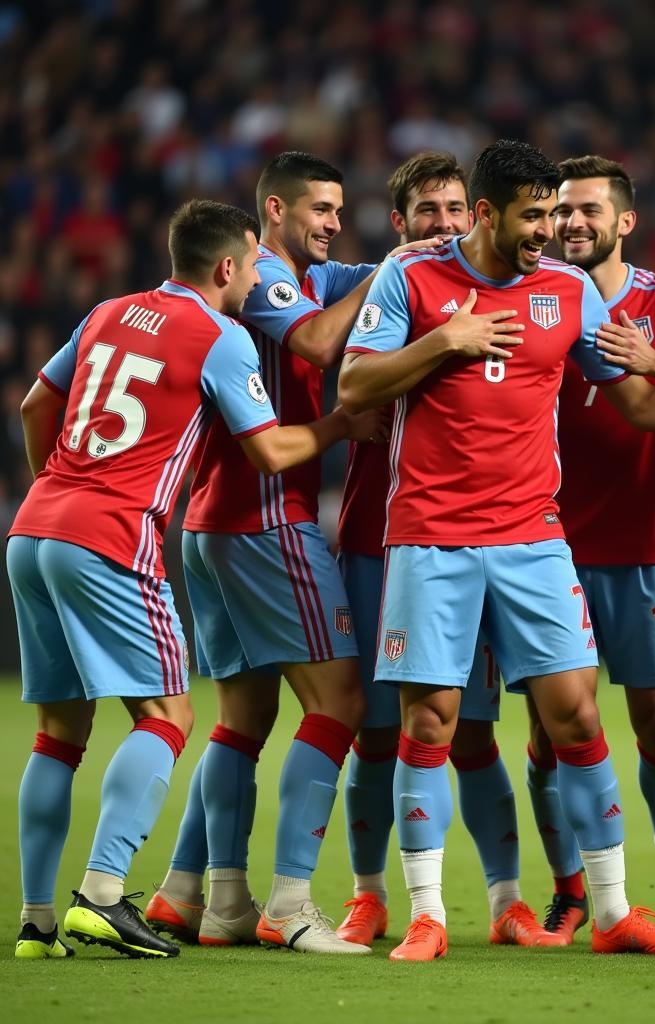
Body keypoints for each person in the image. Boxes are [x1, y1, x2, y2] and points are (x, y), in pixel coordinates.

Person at [338, 138, 655, 962]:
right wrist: (446, 341)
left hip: (534, 540)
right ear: (484, 214)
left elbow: (639, 402)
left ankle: (614, 912)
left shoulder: (568, 290)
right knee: (430, 722)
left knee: (577, 712)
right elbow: (354, 387)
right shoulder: (413, 279)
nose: (549, 230)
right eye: (532, 215)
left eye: (554, 213)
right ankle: (430, 914)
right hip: (430, 536)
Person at [11, 199, 357, 959]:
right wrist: (338, 425)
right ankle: (102, 895)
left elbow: (37, 402)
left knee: (58, 735)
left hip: (34, 527)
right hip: (110, 535)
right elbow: (270, 452)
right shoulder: (220, 336)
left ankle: (36, 925)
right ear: (230, 266)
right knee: (168, 715)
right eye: (249, 268)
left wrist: (58, 492)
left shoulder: (108, 310)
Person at [145, 152, 412, 955]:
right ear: (274, 209)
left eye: (339, 209)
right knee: (341, 705)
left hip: (212, 525)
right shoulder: (262, 278)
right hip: (267, 523)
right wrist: (394, 270)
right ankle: (291, 903)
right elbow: (324, 343)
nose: (334, 222)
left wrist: (419, 257)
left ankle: (200, 892)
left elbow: (366, 283)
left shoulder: (305, 274)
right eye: (319, 210)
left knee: (245, 716)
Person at [335, 150, 558, 948]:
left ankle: (506, 902)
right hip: (383, 531)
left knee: (473, 728)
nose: (444, 224)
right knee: (376, 727)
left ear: (480, 215)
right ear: (399, 224)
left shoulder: (506, 289)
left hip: (484, 536)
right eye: (427, 212)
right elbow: (347, 375)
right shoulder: (390, 285)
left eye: (456, 209)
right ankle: (370, 896)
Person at [521, 153, 655, 945]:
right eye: (561, 211)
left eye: (588, 210)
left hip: (644, 545)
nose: (572, 223)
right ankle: (570, 888)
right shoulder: (531, 289)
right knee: (551, 731)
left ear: (624, 221)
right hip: (542, 548)